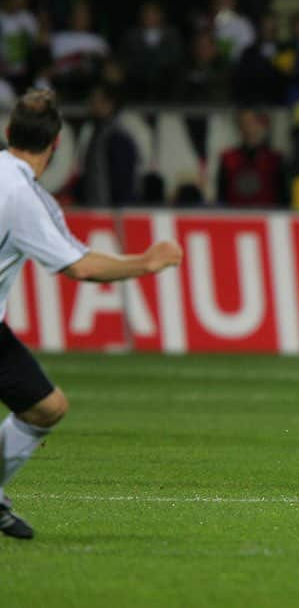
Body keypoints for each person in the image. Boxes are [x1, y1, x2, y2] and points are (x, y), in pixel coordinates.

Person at [0, 89, 184, 538]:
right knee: (45, 409)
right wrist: (148, 261)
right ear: (57, 144)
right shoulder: (24, 195)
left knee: (45, 406)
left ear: (8, 132)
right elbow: (80, 266)